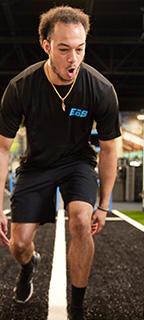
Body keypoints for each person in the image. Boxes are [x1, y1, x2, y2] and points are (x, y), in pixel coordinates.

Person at [0, 6, 121, 319]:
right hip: (36, 165)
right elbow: (2, 148)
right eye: (64, 49)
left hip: (77, 163)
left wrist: (104, 204)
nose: (73, 58)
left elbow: (109, 149)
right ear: (46, 45)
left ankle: (77, 307)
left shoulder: (100, 89)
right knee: (19, 244)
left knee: (81, 220)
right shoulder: (21, 87)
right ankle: (30, 265)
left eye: (80, 49)